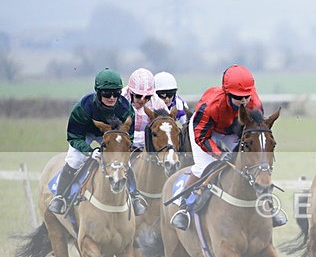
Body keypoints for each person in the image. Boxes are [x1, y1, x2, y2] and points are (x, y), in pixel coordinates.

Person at [169, 64, 286, 230]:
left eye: (246, 96)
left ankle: (268, 205)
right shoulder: (211, 106)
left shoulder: (254, 103)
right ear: (227, 94)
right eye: (238, 97)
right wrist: (218, 154)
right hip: (206, 132)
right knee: (203, 167)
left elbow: (254, 131)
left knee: (254, 165)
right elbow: (201, 137)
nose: (244, 101)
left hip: (232, 131)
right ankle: (184, 208)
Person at [47, 68, 148, 216]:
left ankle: (135, 196)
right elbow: (74, 136)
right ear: (99, 93)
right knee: (75, 159)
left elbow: (128, 138)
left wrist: (117, 150)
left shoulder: (126, 109)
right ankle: (60, 197)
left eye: (116, 93)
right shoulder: (83, 107)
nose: (112, 98)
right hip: (85, 134)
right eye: (107, 94)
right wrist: (89, 151)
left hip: (111, 135)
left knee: (124, 162)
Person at [122, 68, 168, 150]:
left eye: (147, 97)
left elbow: (166, 130)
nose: (142, 100)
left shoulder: (157, 102)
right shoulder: (121, 99)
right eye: (138, 96)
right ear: (130, 92)